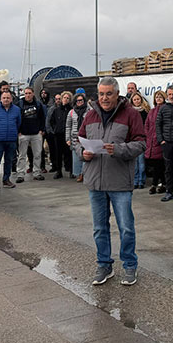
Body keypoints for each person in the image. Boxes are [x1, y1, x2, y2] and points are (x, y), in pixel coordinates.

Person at [78, 77, 146, 286]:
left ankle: (129, 265)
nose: (104, 98)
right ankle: (104, 265)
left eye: (109, 94)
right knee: (100, 228)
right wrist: (82, 153)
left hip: (119, 181)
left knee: (126, 227)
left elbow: (141, 143)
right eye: (101, 94)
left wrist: (118, 149)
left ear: (117, 94)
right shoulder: (90, 115)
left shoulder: (131, 114)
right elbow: (78, 141)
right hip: (95, 181)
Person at [0, 90, 21, 191]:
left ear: (11, 99)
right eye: (4, 98)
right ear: (0, 99)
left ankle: (6, 180)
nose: (6, 100)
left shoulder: (17, 110)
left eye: (8, 98)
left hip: (11, 139)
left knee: (9, 161)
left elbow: (18, 123)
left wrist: (13, 131)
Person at [16, 87, 46, 182]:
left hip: (36, 133)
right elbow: (16, 118)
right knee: (22, 155)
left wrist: (41, 130)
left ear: (33, 94)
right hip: (23, 134)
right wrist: (18, 131)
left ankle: (37, 172)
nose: (27, 95)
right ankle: (20, 174)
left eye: (29, 93)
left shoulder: (38, 104)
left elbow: (42, 117)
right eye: (26, 93)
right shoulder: (19, 104)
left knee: (37, 154)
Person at [144, 90, 167, 194]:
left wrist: (161, 138)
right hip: (151, 140)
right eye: (156, 97)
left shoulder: (165, 110)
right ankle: (159, 183)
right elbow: (147, 125)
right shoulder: (152, 111)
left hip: (161, 140)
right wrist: (148, 136)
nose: (158, 98)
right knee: (154, 164)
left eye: (160, 97)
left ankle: (157, 184)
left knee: (160, 164)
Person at [49, 91, 73, 178]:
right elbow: (52, 121)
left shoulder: (71, 110)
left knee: (69, 153)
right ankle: (58, 171)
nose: (65, 99)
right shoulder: (57, 110)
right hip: (58, 134)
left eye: (67, 98)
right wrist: (55, 129)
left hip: (68, 135)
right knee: (58, 153)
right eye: (64, 97)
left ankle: (71, 170)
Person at [68, 89, 90, 182]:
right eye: (77, 101)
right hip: (75, 137)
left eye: (81, 100)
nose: (79, 102)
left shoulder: (89, 111)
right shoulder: (71, 112)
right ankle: (79, 174)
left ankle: (84, 174)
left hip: (86, 136)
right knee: (77, 156)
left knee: (86, 155)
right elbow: (68, 126)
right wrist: (67, 139)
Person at [130, 92, 150, 188]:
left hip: (142, 139)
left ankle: (141, 181)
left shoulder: (145, 111)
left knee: (141, 162)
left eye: (138, 99)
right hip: (133, 139)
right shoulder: (130, 112)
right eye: (135, 100)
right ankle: (135, 181)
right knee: (134, 163)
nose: (137, 101)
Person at [46, 94, 61, 173]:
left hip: (60, 133)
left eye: (59, 99)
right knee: (52, 151)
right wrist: (50, 131)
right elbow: (48, 121)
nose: (58, 100)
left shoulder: (63, 108)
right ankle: (54, 166)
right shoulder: (51, 109)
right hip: (52, 133)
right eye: (56, 99)